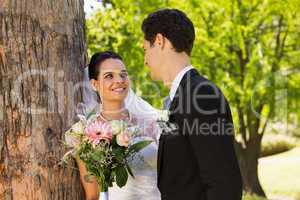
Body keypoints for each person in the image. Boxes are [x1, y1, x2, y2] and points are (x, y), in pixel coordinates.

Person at [141, 8, 243, 200]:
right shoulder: (180, 96)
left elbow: (225, 185)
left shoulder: (201, 94)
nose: (145, 60)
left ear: (160, 41)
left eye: (145, 49)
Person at [73, 51, 161, 200]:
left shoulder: (149, 124)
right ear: (94, 84)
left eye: (123, 74)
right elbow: (93, 195)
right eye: (109, 76)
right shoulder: (86, 135)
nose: (119, 80)